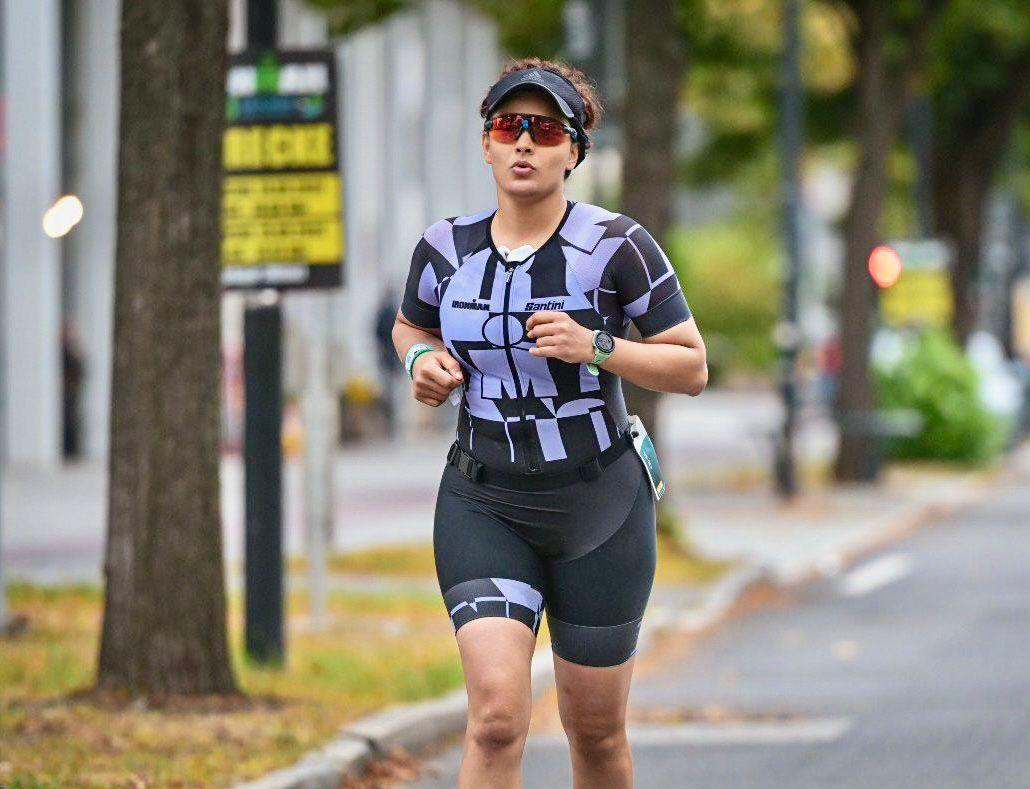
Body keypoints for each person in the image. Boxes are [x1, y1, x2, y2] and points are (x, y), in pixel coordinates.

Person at [391, 57, 707, 788]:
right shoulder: (445, 248)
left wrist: (596, 345)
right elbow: (411, 327)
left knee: (595, 733)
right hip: (483, 499)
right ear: (487, 145)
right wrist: (419, 364)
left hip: (598, 502)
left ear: (573, 151)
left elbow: (691, 366)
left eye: (543, 129)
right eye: (508, 127)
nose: (524, 142)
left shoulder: (618, 246)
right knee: (497, 717)